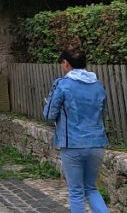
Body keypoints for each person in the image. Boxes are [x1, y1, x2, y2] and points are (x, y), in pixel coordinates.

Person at [42, 48, 110, 213]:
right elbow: (101, 112)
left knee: (76, 191)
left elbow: (49, 115)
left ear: (65, 64)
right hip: (97, 144)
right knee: (91, 188)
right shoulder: (98, 85)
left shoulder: (62, 85)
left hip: (72, 144)